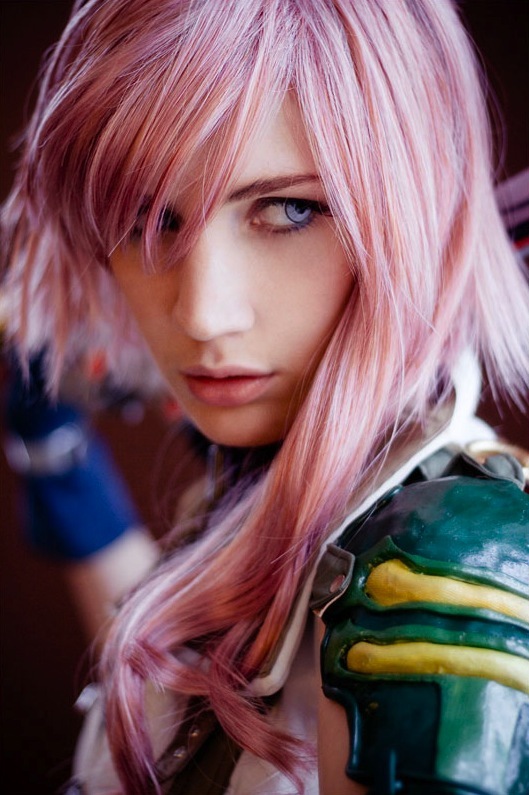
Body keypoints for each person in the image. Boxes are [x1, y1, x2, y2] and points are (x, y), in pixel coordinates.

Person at [2, 1, 528, 793]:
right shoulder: (266, 475)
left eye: (289, 209)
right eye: (147, 217)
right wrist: (64, 477)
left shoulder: (444, 560)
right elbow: (179, 712)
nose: (202, 314)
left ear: (412, 213)